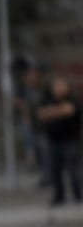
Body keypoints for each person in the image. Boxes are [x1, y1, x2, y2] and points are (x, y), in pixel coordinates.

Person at [36, 77, 82, 206]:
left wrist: (52, 112)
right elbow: (41, 114)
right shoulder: (47, 100)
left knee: (73, 169)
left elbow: (69, 110)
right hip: (53, 140)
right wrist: (57, 111)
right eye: (56, 86)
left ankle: (78, 194)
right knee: (54, 169)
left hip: (70, 140)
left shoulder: (72, 99)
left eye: (61, 86)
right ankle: (59, 196)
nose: (58, 89)